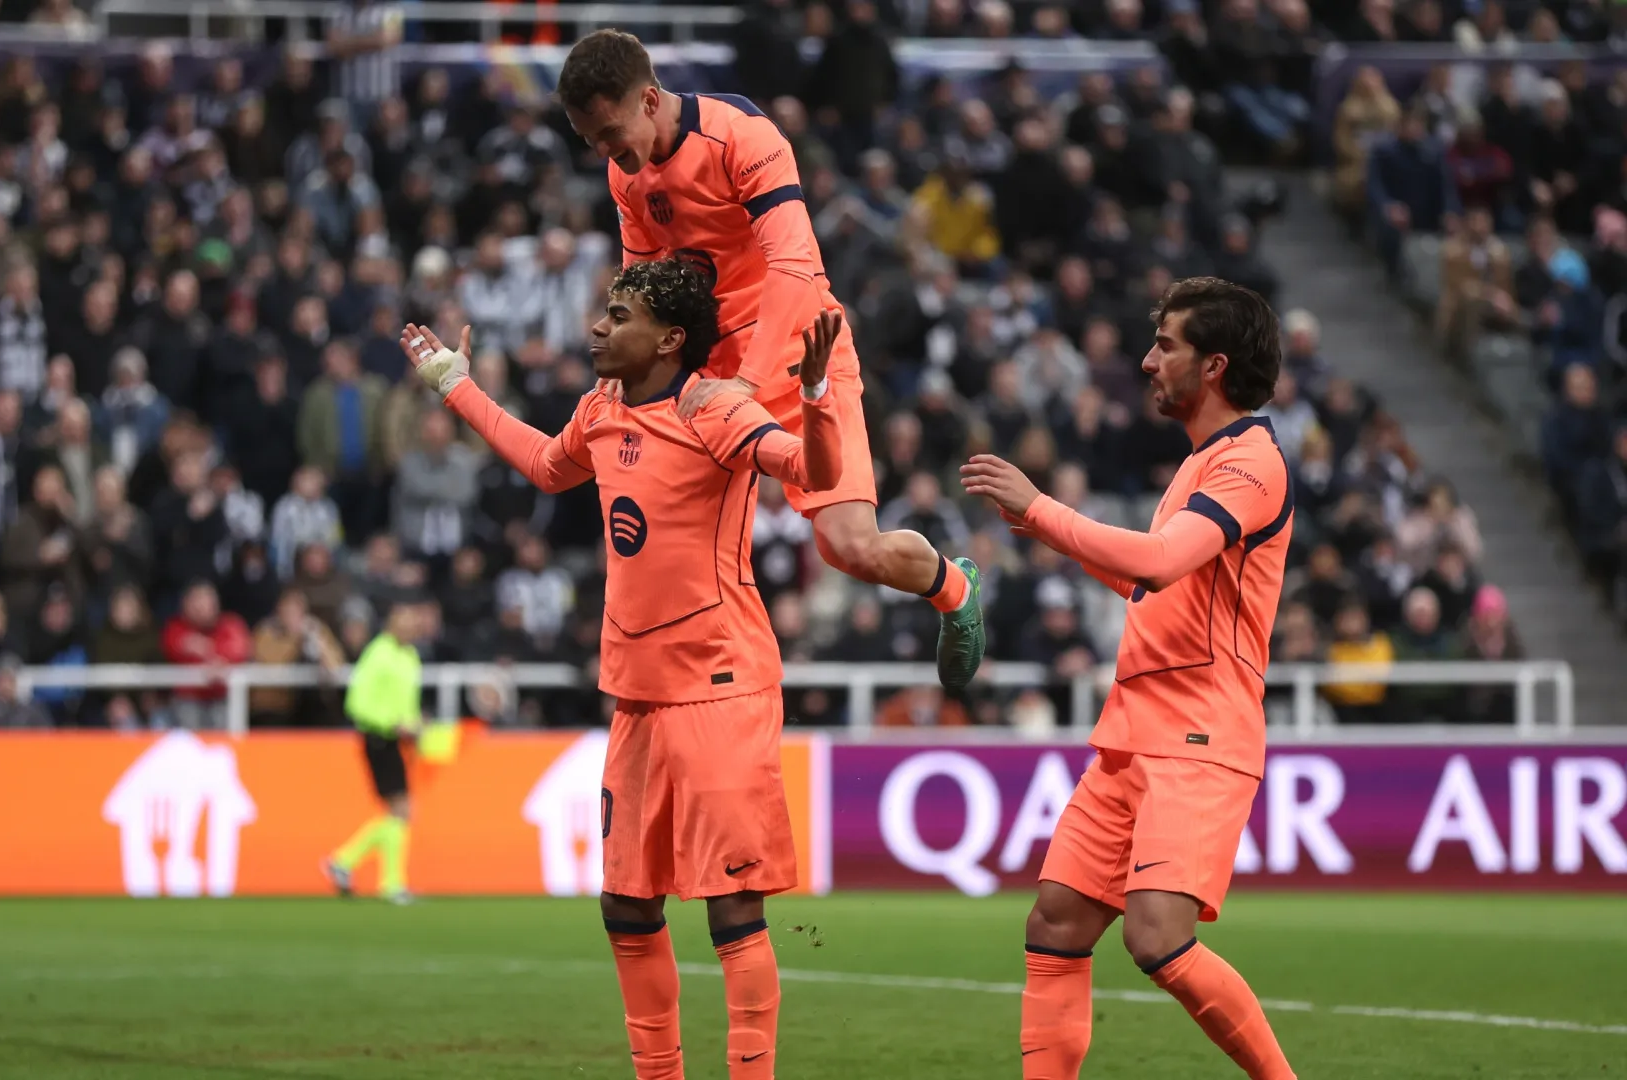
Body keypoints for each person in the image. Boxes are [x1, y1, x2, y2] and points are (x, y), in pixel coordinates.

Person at [401, 258, 842, 1080]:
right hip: (638, 695)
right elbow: (544, 466)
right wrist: (455, 386)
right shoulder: (600, 411)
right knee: (627, 905)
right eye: (603, 312)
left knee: (731, 912)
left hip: (720, 686)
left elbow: (816, 473)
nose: (598, 327)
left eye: (619, 314)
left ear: (670, 339)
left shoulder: (718, 411)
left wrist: (816, 399)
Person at [554, 29, 986, 694]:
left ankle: (954, 589)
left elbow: (792, 265)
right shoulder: (626, 175)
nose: (606, 153)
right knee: (662, 522)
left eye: (609, 133)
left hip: (797, 353)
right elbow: (644, 284)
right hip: (710, 371)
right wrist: (627, 372)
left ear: (646, 99)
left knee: (849, 548)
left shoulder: (743, 138)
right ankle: (680, 682)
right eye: (591, 142)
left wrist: (749, 383)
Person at [961, 277, 1297, 1080]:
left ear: (1214, 366)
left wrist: (1043, 509)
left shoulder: (1250, 463)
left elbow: (1158, 560)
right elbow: (1153, 583)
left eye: (1166, 345)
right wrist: (1049, 533)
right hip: (1134, 732)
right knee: (1058, 923)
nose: (1148, 361)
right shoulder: (1204, 463)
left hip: (1199, 734)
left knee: (1157, 937)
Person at [323, 588, 433, 904]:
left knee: (399, 810)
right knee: (401, 809)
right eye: (407, 622)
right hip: (378, 737)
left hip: (397, 741)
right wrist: (392, 722)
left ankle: (349, 865)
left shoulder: (409, 656)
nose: (413, 629)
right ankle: (358, 867)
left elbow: (406, 702)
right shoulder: (378, 654)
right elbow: (357, 704)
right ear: (392, 624)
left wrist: (415, 725)